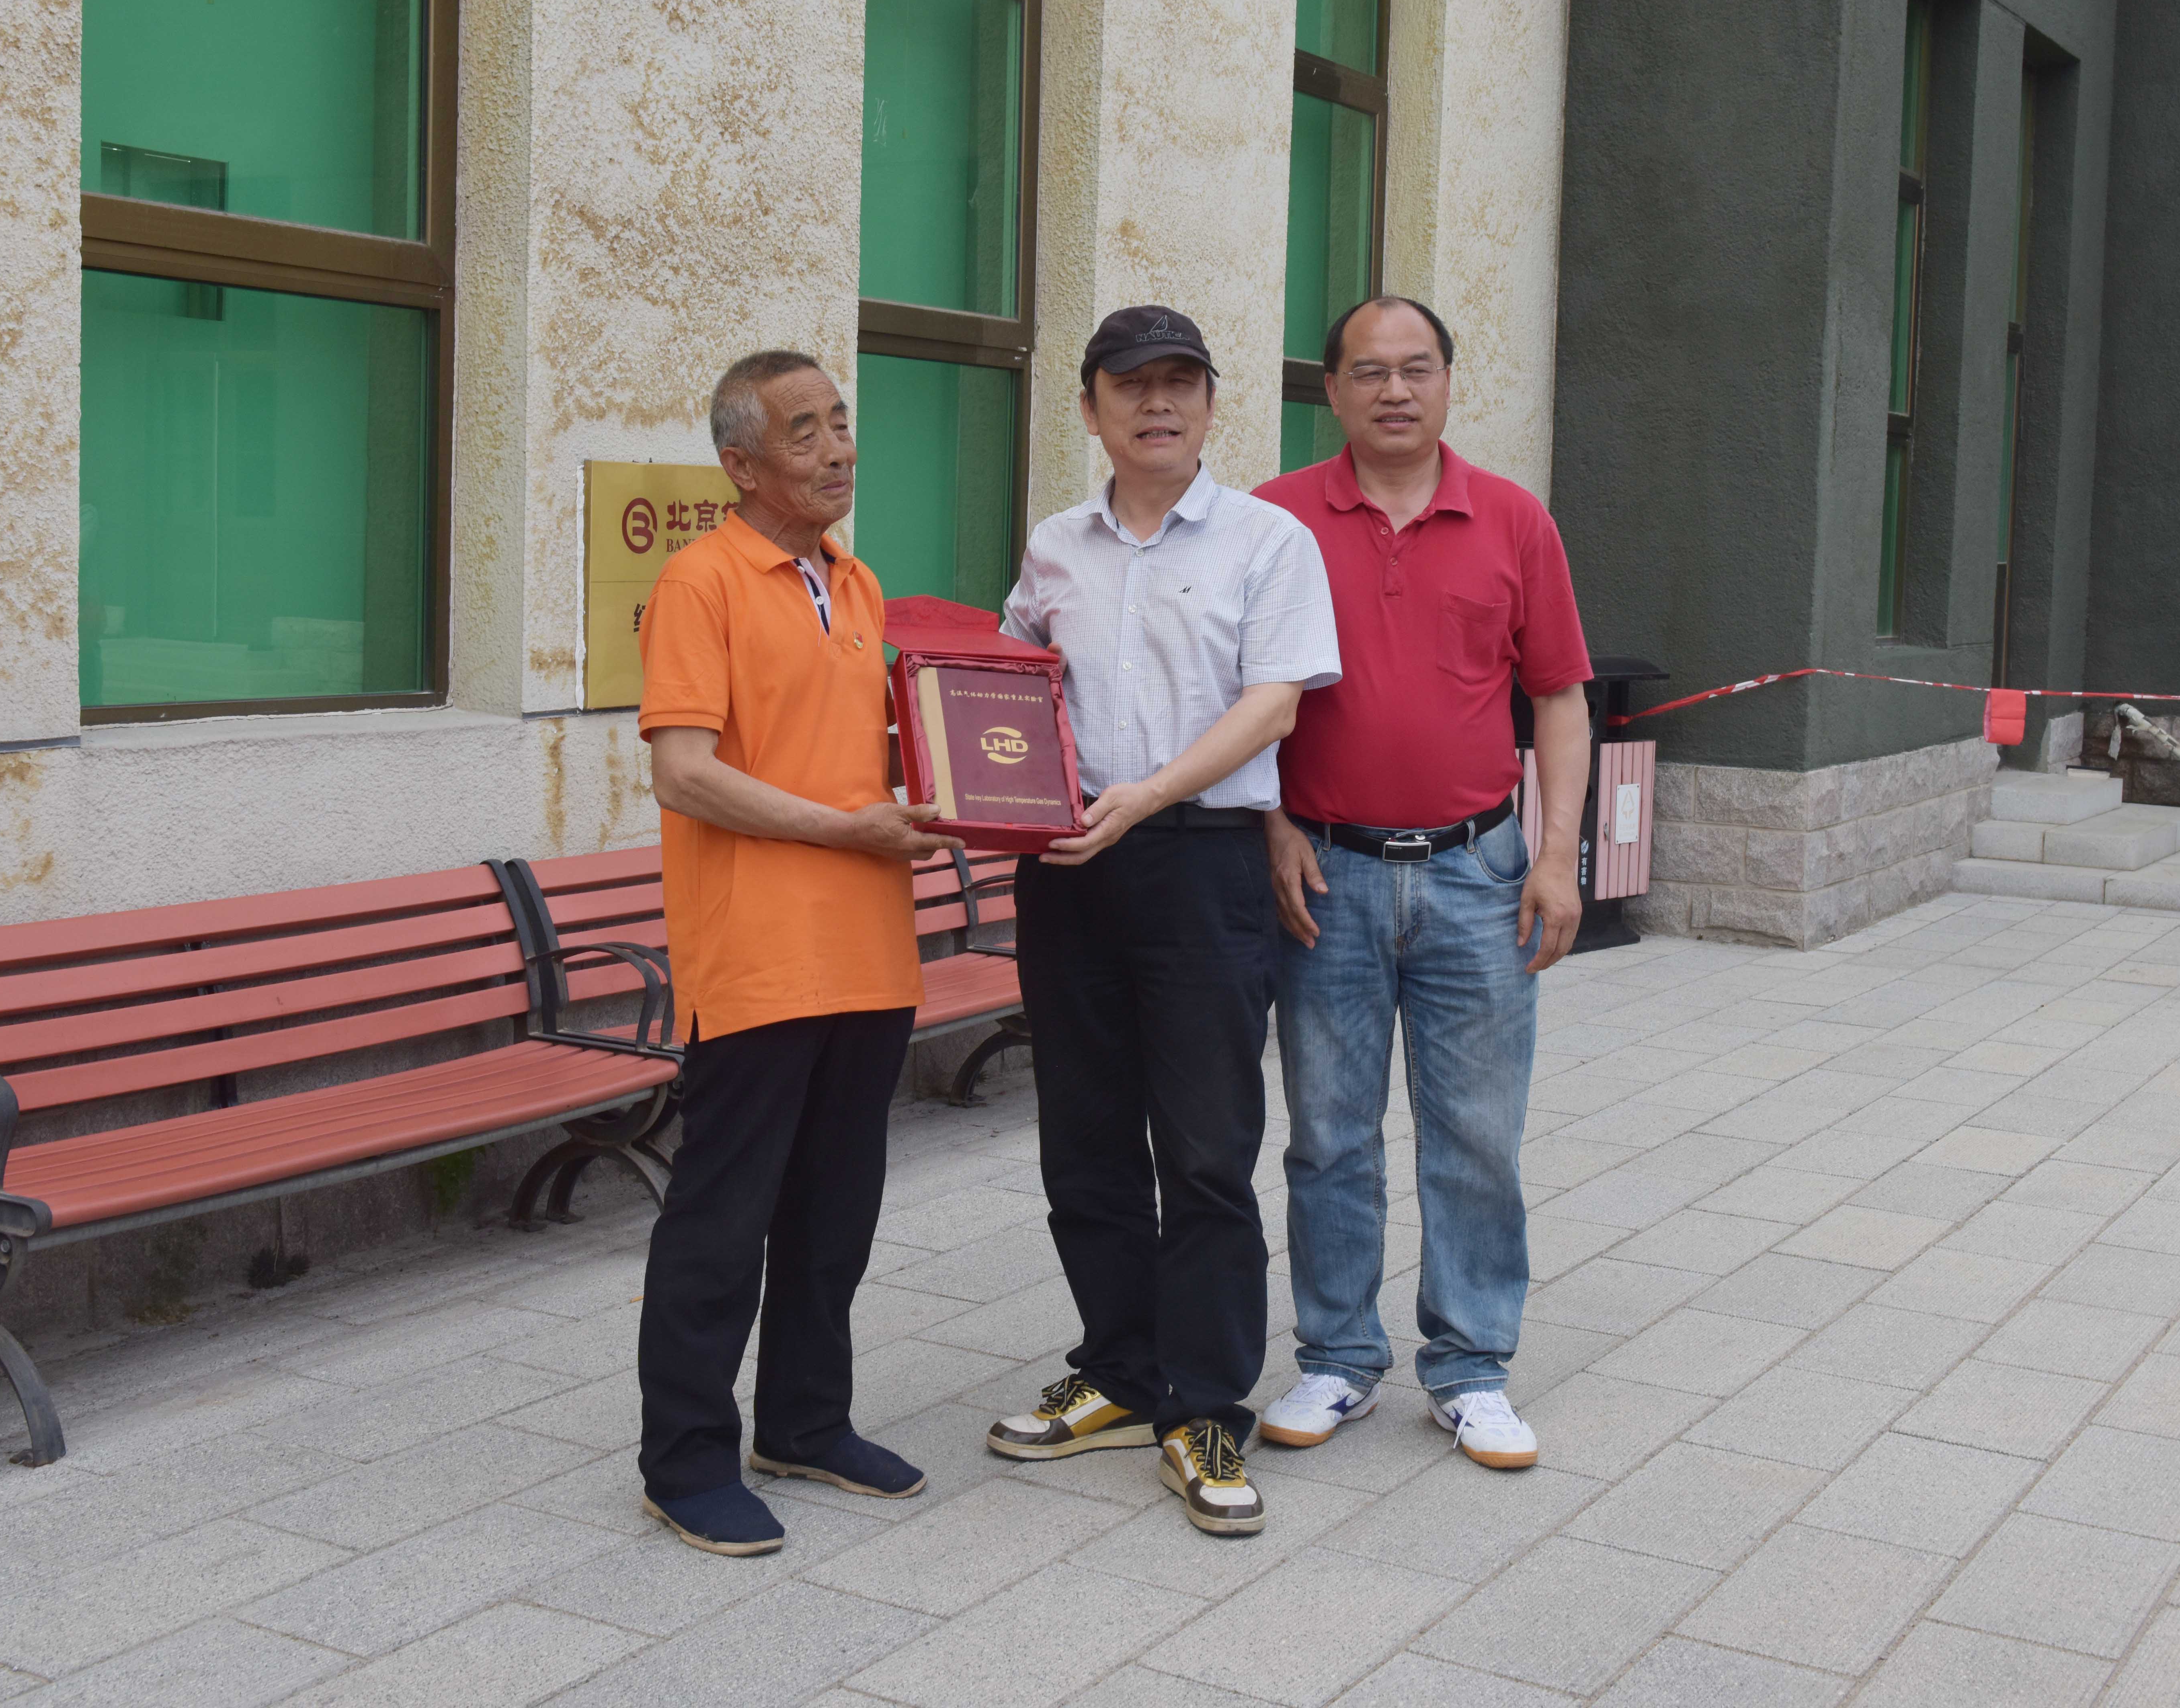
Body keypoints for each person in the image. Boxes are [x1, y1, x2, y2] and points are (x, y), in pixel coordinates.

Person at [982, 306, 1340, 1538]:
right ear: (1089, 408)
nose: (1158, 404)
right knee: (1083, 1138)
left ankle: (1204, 1406)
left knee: (1203, 1149)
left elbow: (1273, 707)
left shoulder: (1267, 540)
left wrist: (1143, 796)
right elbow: (1004, 688)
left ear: (1210, 403)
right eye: (1132, 385)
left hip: (1200, 864)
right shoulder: (1054, 548)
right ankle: (1121, 1369)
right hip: (1068, 867)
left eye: (1181, 382)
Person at [1249, 297, 1593, 1470]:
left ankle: (1470, 1365)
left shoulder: (1512, 519)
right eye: (1367, 371)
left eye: (1415, 368)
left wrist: (1554, 855)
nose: (1393, 391)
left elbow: (1557, 696)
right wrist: (1272, 822)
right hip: (1325, 873)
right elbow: (1240, 694)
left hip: (1478, 871)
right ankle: (1338, 1355)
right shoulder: (1276, 519)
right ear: (1331, 390)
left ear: (1447, 379)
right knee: (1327, 1135)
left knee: (1476, 1137)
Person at [632, 348, 961, 1556]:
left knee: (835, 1213)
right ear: (740, 463)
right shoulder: (701, 579)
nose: (838, 450)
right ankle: (684, 1460)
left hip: (868, 951)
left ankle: (806, 1422)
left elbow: (861, 753)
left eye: (842, 423)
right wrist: (847, 827)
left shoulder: (856, 582)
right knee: (721, 1223)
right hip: (759, 956)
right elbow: (684, 772)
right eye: (805, 432)